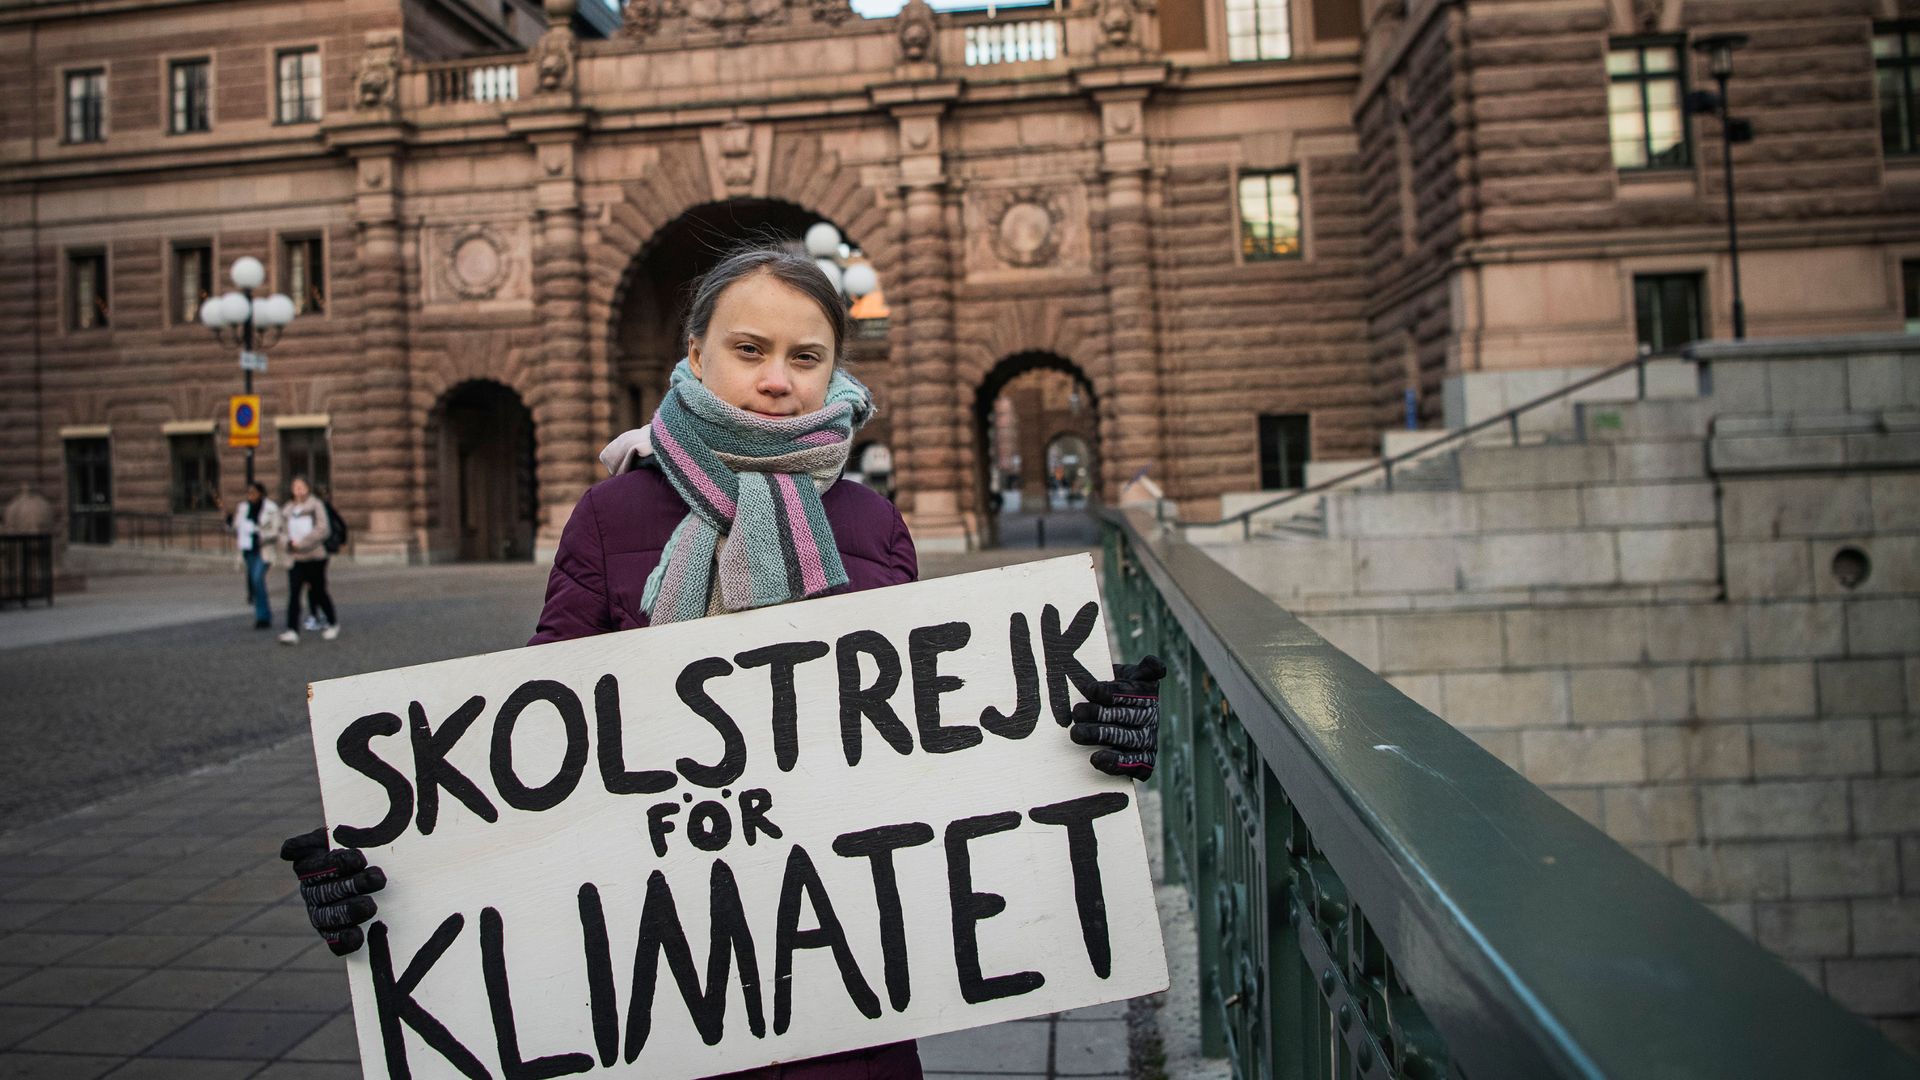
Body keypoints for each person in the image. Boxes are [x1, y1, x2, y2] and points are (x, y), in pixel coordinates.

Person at [279, 246, 1160, 1079]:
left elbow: (937, 741)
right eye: (749, 349)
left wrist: (1084, 744)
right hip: (658, 986)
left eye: (805, 356)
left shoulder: (872, 526)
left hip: (842, 977)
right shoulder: (609, 518)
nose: (778, 379)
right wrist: (389, 856)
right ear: (695, 355)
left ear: (835, 371)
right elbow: (538, 737)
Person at [278, 475, 339, 644]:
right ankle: (292, 630)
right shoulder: (288, 509)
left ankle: (332, 622)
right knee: (294, 594)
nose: (298, 490)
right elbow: (281, 531)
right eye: (295, 486)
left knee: (319, 591)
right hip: (295, 558)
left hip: (314, 556)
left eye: (301, 486)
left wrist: (302, 543)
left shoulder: (315, 505)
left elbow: (323, 528)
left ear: (307, 488)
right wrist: (289, 544)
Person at [224, 482, 279, 629]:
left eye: (253, 492)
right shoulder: (243, 508)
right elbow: (236, 528)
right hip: (248, 550)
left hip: (263, 550)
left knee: (257, 579)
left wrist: (261, 534)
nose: (250, 496)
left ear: (261, 493)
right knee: (255, 582)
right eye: (248, 493)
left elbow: (277, 529)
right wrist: (229, 522)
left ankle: (263, 615)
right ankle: (263, 614)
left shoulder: (271, 509)